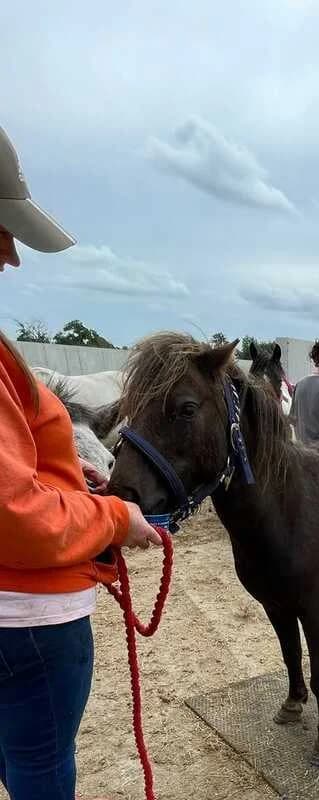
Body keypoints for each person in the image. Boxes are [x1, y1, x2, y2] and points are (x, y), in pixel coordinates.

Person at [0, 125, 162, 800]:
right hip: (29, 617)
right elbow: (15, 515)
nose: (10, 256)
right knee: (42, 767)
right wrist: (114, 517)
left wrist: (63, 476)